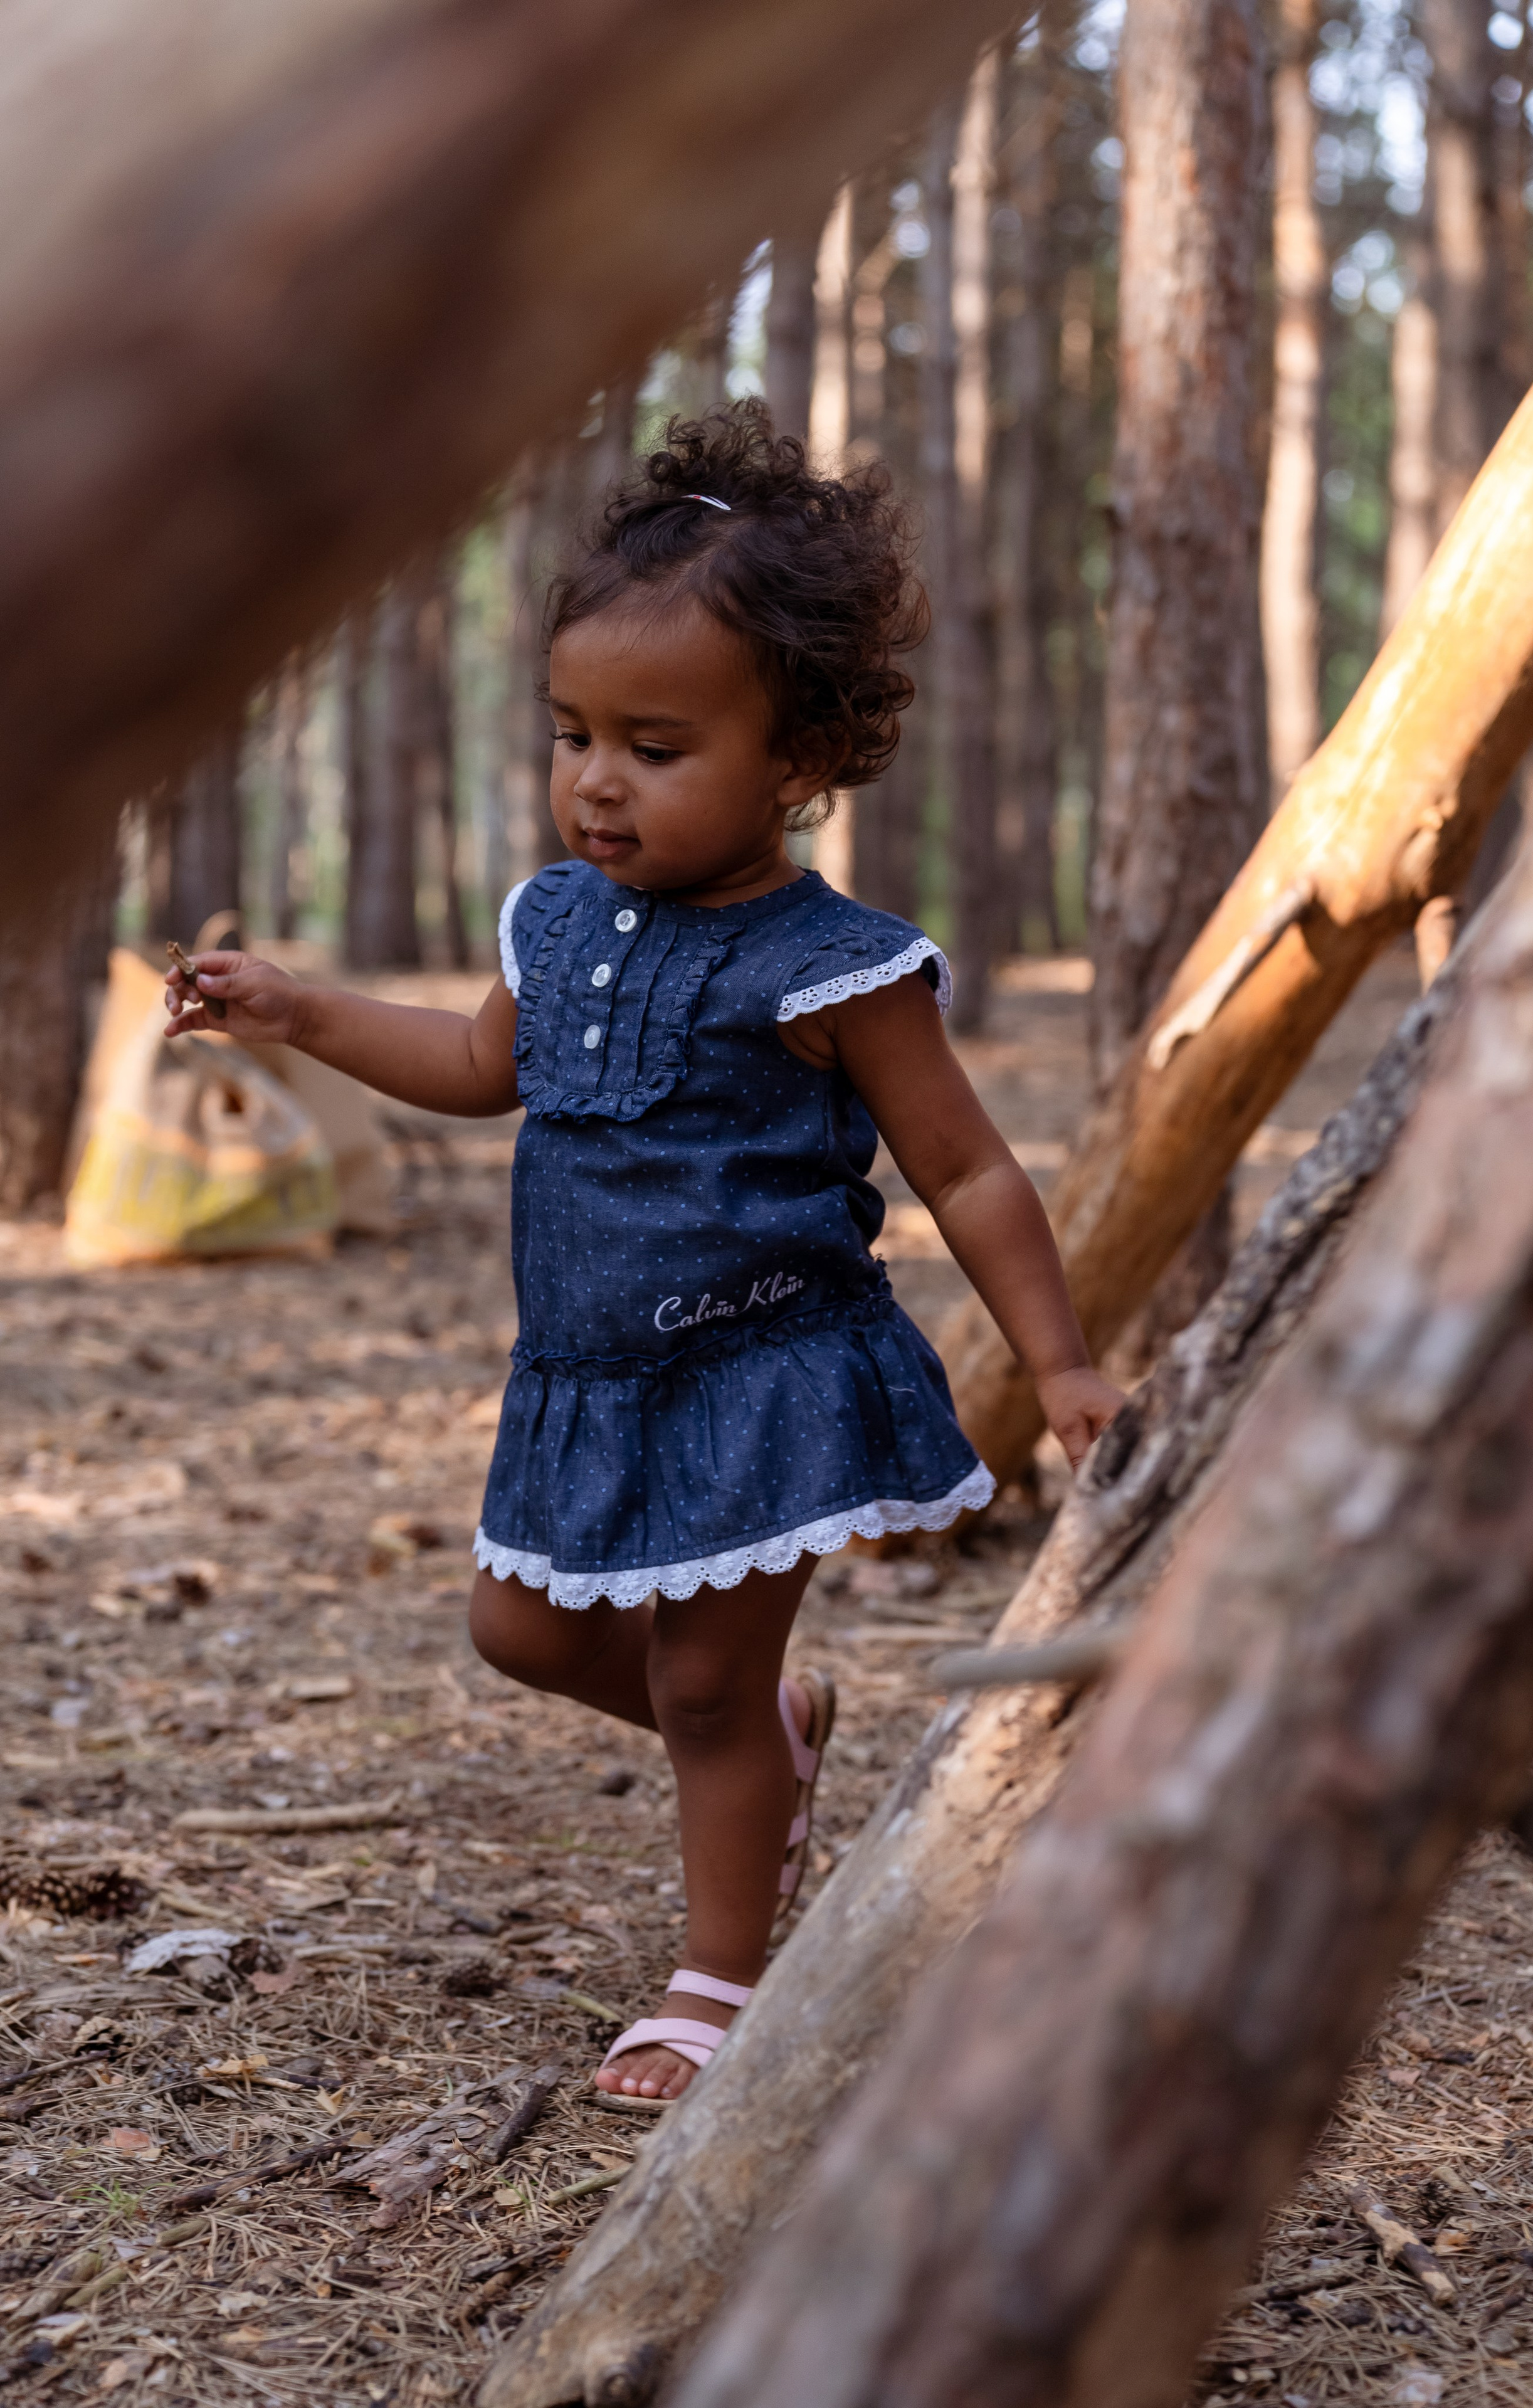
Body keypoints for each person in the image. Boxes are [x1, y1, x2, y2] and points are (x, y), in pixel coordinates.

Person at [164, 403, 1125, 2106]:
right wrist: (302, 1011)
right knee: (520, 1634)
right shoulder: (557, 919)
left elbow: (967, 1167)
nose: (597, 780)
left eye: (657, 746)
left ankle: (720, 1978)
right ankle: (778, 1744)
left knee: (697, 1686)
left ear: (800, 761)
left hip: (765, 1368)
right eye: (572, 733)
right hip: (587, 1380)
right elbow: (477, 1071)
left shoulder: (839, 966)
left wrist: (1053, 1363)